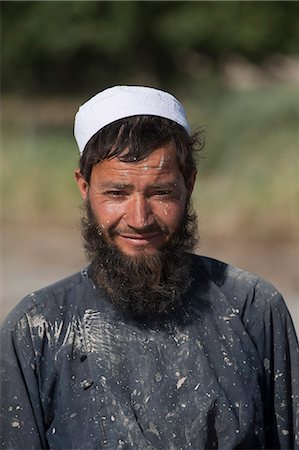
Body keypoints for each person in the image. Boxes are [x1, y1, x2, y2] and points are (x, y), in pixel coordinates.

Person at [0, 86, 298, 450]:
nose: (140, 219)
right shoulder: (37, 330)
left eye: (161, 193)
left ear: (189, 185)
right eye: (116, 193)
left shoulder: (253, 309)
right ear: (84, 186)